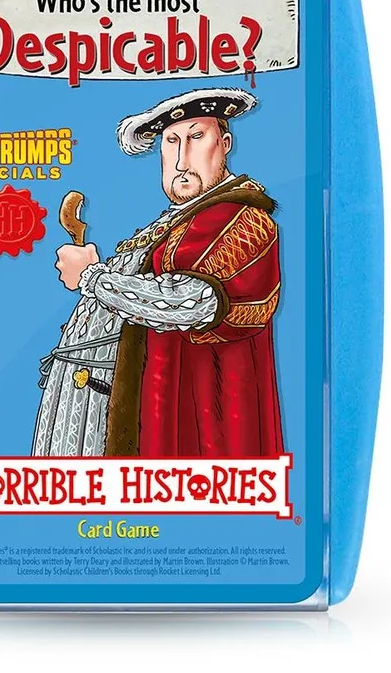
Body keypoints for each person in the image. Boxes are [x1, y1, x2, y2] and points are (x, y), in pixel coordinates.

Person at [32, 88, 284, 458]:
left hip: (202, 428)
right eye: (171, 142)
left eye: (196, 137)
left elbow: (190, 302)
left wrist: (92, 277)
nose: (181, 160)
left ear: (224, 144)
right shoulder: (171, 224)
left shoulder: (241, 220)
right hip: (150, 410)